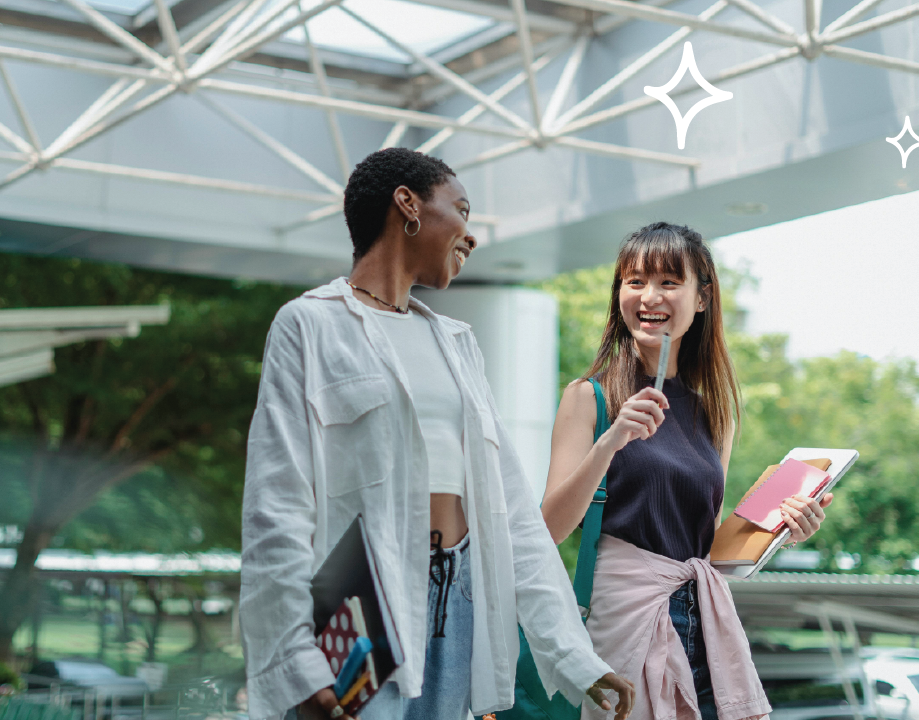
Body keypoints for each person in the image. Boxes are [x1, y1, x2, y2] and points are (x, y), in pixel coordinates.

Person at [239, 148, 635, 720]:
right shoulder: (309, 325)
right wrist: (296, 663)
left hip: (463, 599)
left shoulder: (457, 343)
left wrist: (577, 658)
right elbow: (275, 511)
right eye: (462, 211)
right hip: (362, 608)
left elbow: (512, 515)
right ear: (408, 205)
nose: (471, 237)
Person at [541, 222, 833, 720]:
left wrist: (784, 529)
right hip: (625, 619)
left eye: (669, 282)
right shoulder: (588, 397)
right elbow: (547, 528)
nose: (649, 296)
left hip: (706, 617)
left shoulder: (714, 412)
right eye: (634, 281)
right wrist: (611, 441)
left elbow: (707, 544)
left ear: (702, 298)